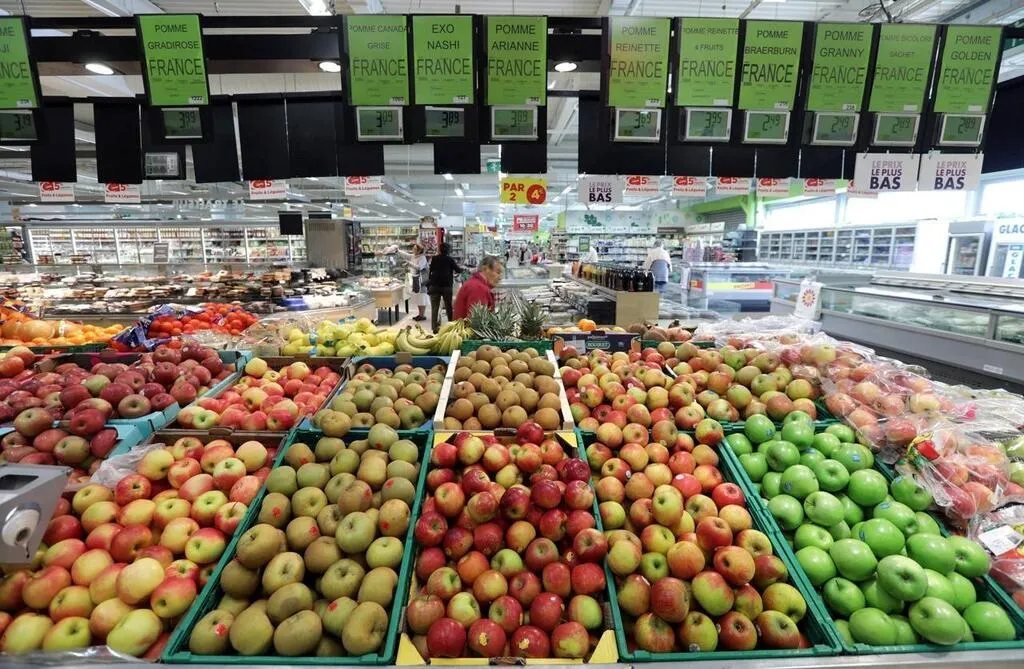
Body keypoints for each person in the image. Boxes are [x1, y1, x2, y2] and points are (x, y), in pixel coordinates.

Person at [427, 242, 461, 332]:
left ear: (440, 250)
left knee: (435, 308)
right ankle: (451, 326)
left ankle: (434, 328)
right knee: (448, 307)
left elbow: (431, 271)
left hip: (434, 286)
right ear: (449, 250)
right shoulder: (450, 259)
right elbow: (458, 270)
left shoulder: (434, 259)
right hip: (447, 286)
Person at [393, 244, 428, 321]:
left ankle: (422, 315)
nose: (413, 249)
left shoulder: (422, 258)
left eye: (415, 249)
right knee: (418, 297)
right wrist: (398, 251)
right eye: (413, 248)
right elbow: (405, 255)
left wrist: (409, 263)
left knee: (422, 297)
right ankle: (420, 314)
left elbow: (419, 267)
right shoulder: (413, 256)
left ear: (419, 250)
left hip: (421, 280)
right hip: (415, 279)